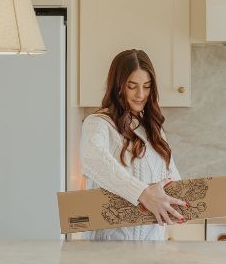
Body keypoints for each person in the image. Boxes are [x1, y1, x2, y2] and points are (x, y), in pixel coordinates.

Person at [80, 49, 187, 240]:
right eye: (132, 86)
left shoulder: (153, 130)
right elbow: (94, 160)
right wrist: (143, 193)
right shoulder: (98, 123)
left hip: (152, 253)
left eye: (147, 86)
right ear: (118, 86)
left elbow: (172, 180)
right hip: (107, 255)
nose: (140, 94)